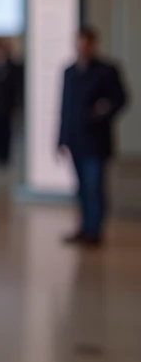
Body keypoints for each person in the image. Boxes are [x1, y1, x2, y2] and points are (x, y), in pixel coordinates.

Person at [58, 26, 129, 247]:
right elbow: (65, 108)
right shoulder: (69, 72)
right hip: (76, 140)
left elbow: (121, 98)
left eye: (87, 43)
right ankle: (84, 227)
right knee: (81, 188)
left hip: (96, 141)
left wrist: (102, 111)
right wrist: (60, 139)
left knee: (94, 186)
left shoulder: (106, 70)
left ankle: (94, 230)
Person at [0, 40, 22, 167]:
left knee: (6, 133)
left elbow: (16, 88)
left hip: (7, 107)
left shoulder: (13, 68)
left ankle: (4, 157)